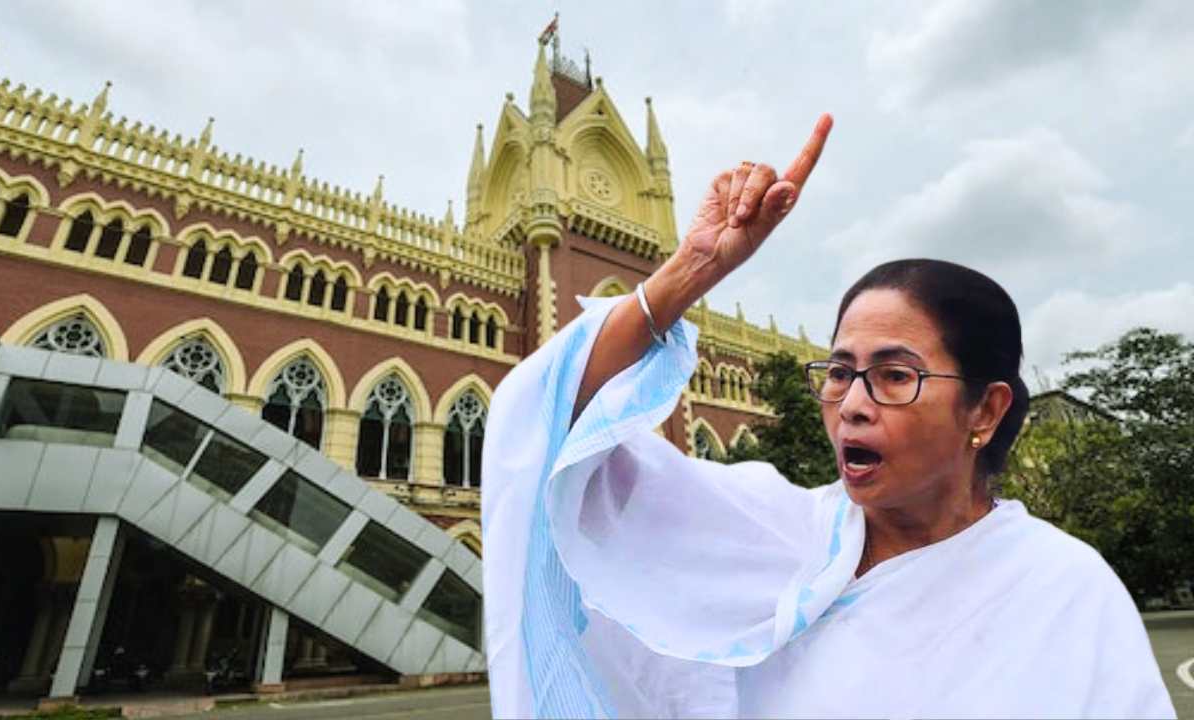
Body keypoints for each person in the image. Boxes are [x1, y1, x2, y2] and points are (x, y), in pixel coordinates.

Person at [480, 114, 1175, 719]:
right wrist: (689, 271)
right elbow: (541, 429)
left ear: (985, 411)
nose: (853, 404)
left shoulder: (1063, 591)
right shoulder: (776, 540)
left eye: (894, 376)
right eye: (839, 373)